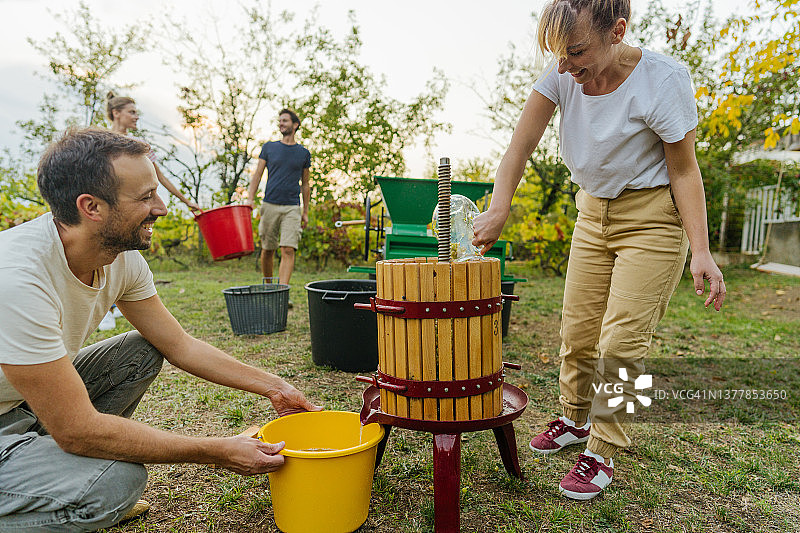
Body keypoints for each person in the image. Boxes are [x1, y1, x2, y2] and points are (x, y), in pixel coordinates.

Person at [0, 127, 321, 531]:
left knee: (139, 350)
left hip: (24, 406)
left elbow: (179, 345)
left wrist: (275, 386)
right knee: (117, 483)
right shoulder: (16, 279)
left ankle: (55, 473)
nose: (162, 207)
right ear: (91, 207)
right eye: (145, 196)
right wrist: (217, 451)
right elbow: (76, 430)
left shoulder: (120, 257)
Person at [472, 0, 726, 501]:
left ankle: (605, 448)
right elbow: (519, 146)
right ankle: (574, 418)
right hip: (592, 214)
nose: (566, 67)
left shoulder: (663, 80)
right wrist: (500, 206)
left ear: (618, 31)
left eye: (578, 52)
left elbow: (683, 170)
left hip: (652, 219)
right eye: (560, 56)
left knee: (623, 343)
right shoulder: (563, 68)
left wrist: (701, 250)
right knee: (579, 329)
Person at [245, 109, 311, 286]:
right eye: (280, 121)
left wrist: (305, 211)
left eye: (285, 121)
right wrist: (250, 199)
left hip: (292, 207)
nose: (281, 123)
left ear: (295, 125)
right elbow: (257, 175)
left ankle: (281, 291)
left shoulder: (303, 153)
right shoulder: (269, 147)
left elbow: (305, 184)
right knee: (268, 249)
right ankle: (269, 287)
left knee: (288, 249)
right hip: (270, 205)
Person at [107, 92, 201, 213]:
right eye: (132, 112)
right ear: (116, 113)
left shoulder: (139, 145)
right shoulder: (100, 143)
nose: (137, 117)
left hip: (132, 209)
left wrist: (187, 202)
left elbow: (160, 177)